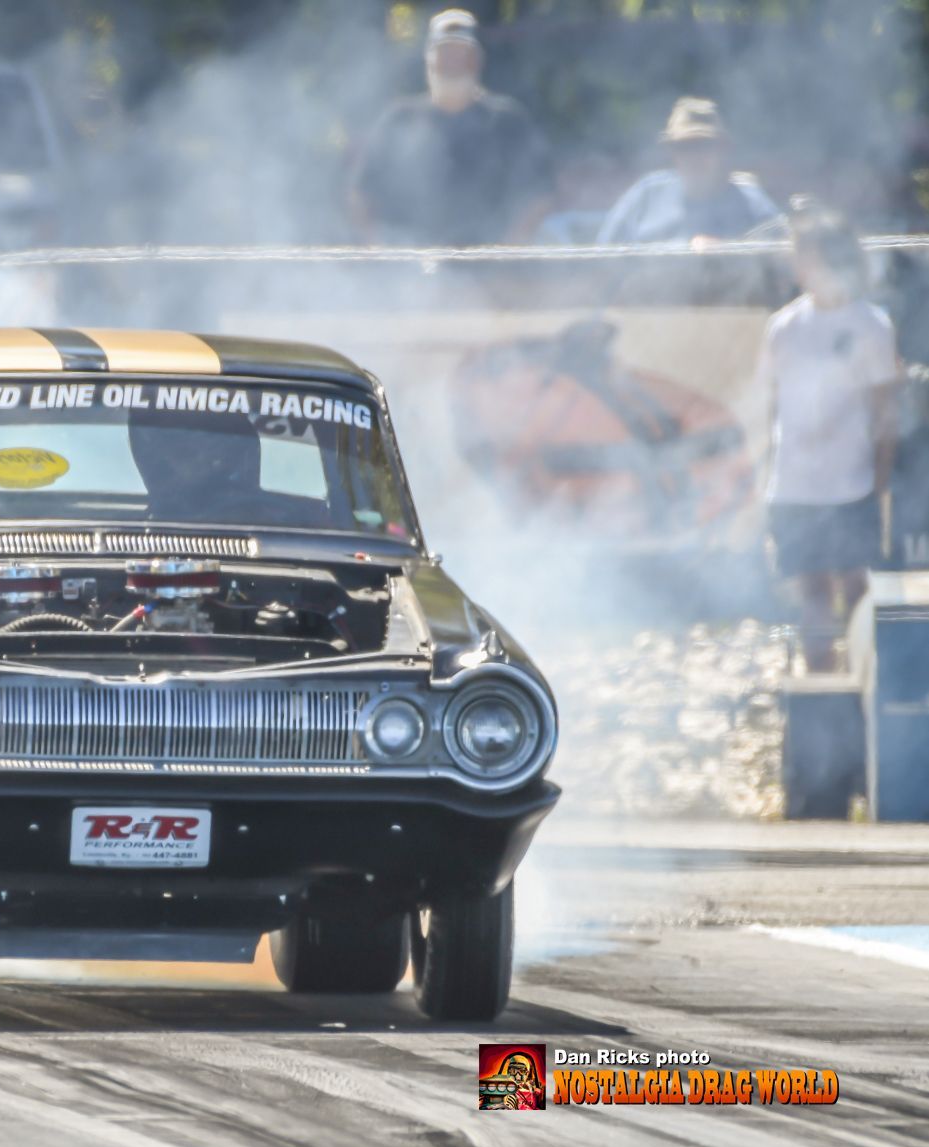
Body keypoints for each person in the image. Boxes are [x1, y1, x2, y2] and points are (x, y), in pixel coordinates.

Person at [758, 207, 902, 671]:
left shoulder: (871, 325)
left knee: (856, 587)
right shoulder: (784, 326)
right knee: (811, 590)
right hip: (794, 487)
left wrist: (880, 484)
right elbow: (772, 407)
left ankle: (864, 681)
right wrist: (767, 477)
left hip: (851, 484)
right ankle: (820, 685)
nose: (800, 264)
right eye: (798, 254)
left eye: (809, 254)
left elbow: (885, 413)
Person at [349, 9, 553, 246]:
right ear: (429, 59)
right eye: (444, 53)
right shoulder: (400, 119)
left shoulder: (506, 121)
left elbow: (541, 195)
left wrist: (508, 251)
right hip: (411, 262)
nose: (452, 63)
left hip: (489, 261)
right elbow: (361, 193)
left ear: (477, 61)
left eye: (461, 54)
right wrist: (379, 248)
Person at [598, 97, 781, 245]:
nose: (695, 156)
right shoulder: (646, 195)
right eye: (685, 146)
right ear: (671, 151)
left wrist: (726, 251)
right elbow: (603, 258)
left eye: (705, 145)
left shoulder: (752, 203)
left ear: (722, 149)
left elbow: (786, 259)